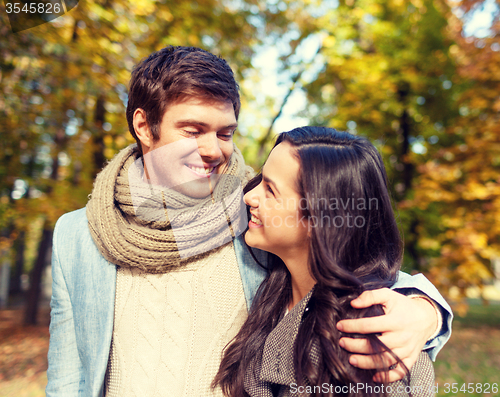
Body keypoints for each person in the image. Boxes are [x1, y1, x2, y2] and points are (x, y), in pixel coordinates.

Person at [46, 46, 452, 397]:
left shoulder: (253, 215)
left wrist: (425, 311)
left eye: (225, 133)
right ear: (143, 126)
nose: (212, 149)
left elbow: (351, 266)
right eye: (193, 130)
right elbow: (68, 376)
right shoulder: (78, 236)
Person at [214, 127, 439, 397]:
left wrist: (428, 313)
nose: (249, 196)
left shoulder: (370, 342)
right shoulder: (271, 287)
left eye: (270, 190)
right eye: (262, 178)